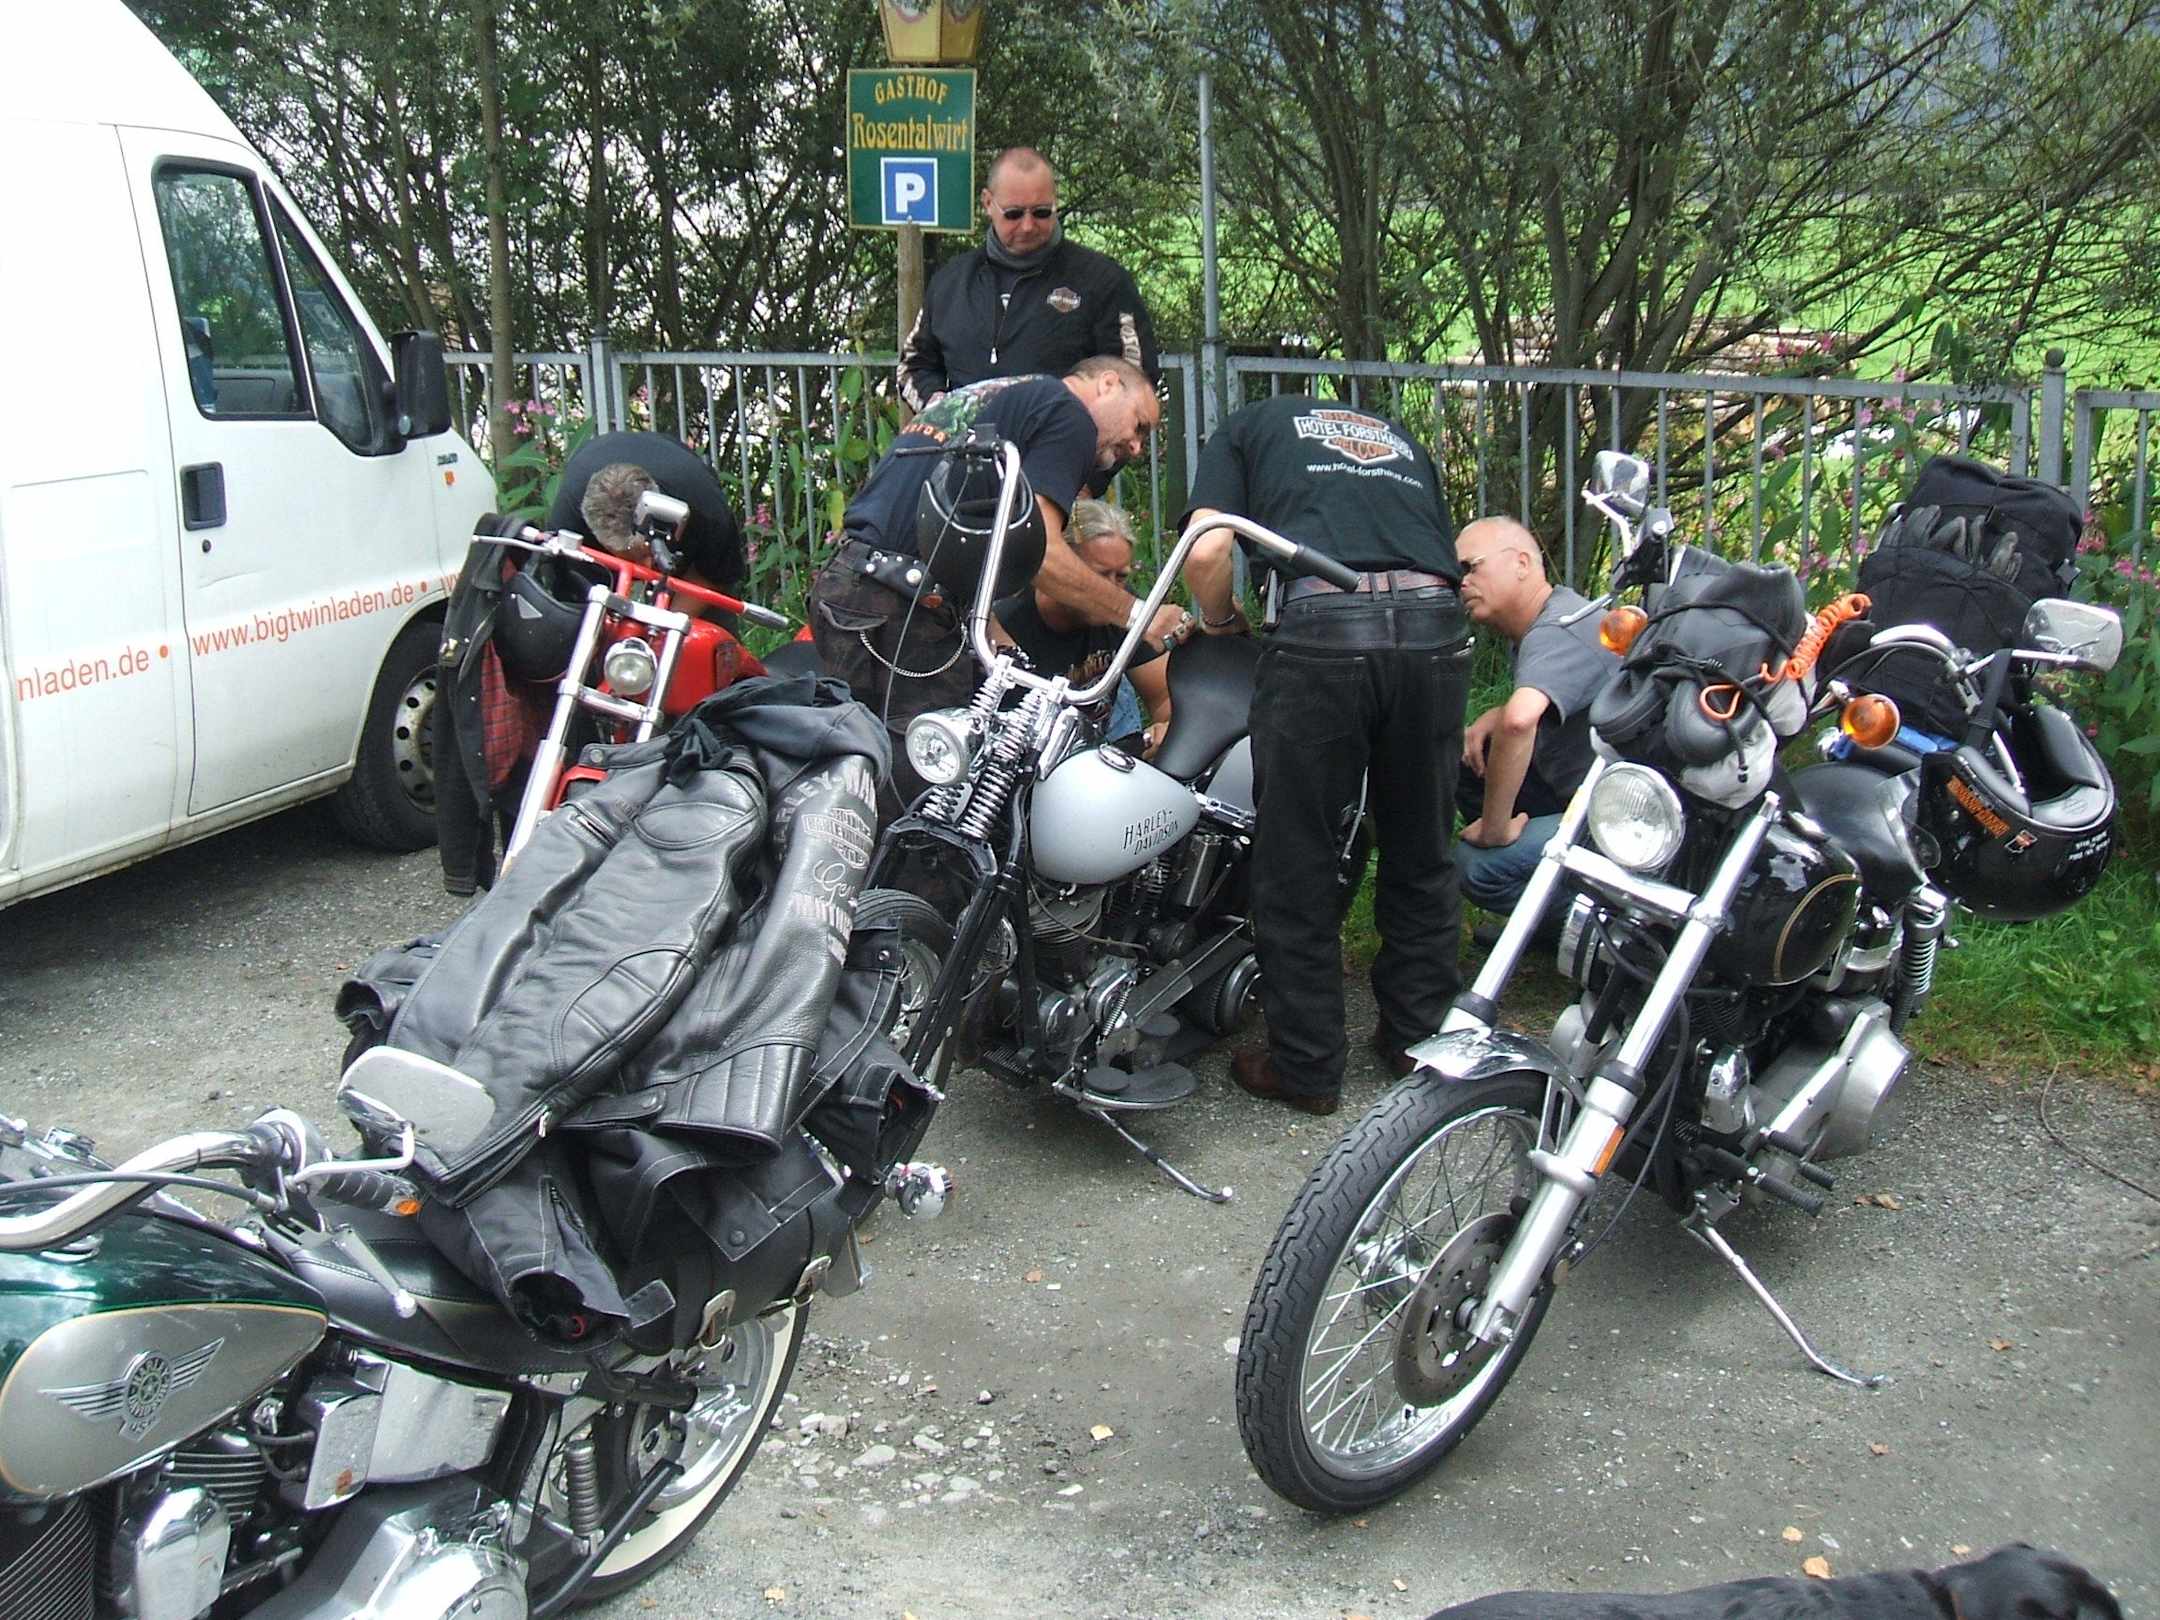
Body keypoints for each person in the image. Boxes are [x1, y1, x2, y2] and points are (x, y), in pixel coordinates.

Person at [1184, 396, 1470, 1116]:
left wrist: (1219, 621)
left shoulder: (1244, 428)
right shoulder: (1396, 435)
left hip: (1322, 627)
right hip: (1435, 630)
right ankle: (1416, 1039)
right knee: (1423, 846)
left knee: (1297, 857)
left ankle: (1307, 1067)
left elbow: (1208, 548)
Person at [810, 356, 1186, 813]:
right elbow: (1043, 554)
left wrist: (995, 636)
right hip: (906, 607)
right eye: (1140, 425)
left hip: (848, 587)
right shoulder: (1070, 414)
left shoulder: (996, 394)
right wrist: (1139, 615)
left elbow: (958, 529)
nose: (1137, 446)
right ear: (1108, 384)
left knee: (863, 783)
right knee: (932, 801)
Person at [897, 147, 1158, 418]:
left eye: (1041, 212)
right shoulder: (951, 282)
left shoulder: (1103, 280)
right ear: (988, 203)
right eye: (1014, 214)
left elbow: (1136, 381)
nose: (1028, 226)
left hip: (1065, 441)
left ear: (1055, 202)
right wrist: (938, 407)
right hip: (967, 440)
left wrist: (1082, 428)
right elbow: (914, 366)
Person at [1453, 515, 1621, 916]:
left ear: (1522, 563)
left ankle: (1611, 933)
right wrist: (1496, 715)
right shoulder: (1555, 617)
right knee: (1467, 756)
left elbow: (1520, 721)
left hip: (1622, 824)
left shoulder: (1556, 628)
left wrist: (1495, 829)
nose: (1461, 583)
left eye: (1470, 567)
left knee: (1478, 868)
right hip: (1591, 798)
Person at [992, 499, 1171, 750]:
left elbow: (1164, 698)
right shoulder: (1008, 624)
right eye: (1099, 575)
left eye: (1121, 576)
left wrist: (1163, 733)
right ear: (1064, 570)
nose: (1112, 589)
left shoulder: (1123, 610)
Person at [546, 429, 745, 589]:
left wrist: (664, 624)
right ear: (600, 539)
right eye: (637, 555)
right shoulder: (569, 518)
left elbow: (717, 575)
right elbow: (572, 600)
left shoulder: (702, 500)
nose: (648, 566)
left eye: (647, 551)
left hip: (692, 559)